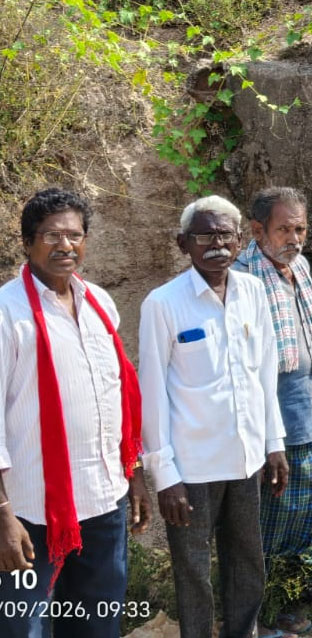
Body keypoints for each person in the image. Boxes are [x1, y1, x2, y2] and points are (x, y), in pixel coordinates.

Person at [0, 188, 151, 638]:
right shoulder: (8, 313)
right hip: (28, 513)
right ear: (28, 243)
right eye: (51, 235)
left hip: (103, 501)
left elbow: (116, 398)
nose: (65, 245)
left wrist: (135, 473)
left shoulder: (100, 304)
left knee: (97, 625)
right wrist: (2, 513)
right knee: (24, 627)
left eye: (75, 235)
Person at [139, 195, 289, 638]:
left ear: (241, 240)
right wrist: (164, 474)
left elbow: (265, 371)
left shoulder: (253, 291)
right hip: (192, 465)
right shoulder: (163, 304)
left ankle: (243, 632)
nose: (217, 243)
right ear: (183, 242)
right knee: (193, 570)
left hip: (246, 458)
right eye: (205, 234)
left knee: (247, 559)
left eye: (226, 234)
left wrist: (273, 443)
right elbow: (152, 393)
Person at [234, 187, 312, 633]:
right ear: (257, 230)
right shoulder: (241, 276)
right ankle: (267, 612)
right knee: (276, 522)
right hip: (279, 426)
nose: (294, 237)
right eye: (284, 228)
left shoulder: (299, 267)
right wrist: (269, 438)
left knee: (308, 513)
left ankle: (300, 598)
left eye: (300, 228)